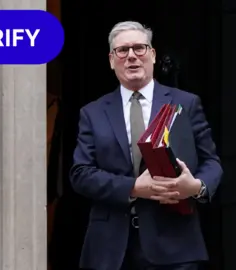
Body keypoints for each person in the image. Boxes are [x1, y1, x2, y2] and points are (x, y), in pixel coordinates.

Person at [69, 21, 223, 270]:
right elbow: (80, 174)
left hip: (175, 247)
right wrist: (133, 188)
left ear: (152, 55)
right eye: (122, 50)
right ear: (111, 60)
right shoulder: (93, 112)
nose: (132, 56)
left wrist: (195, 186)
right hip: (110, 251)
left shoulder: (186, 103)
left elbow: (211, 162)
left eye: (139, 48)